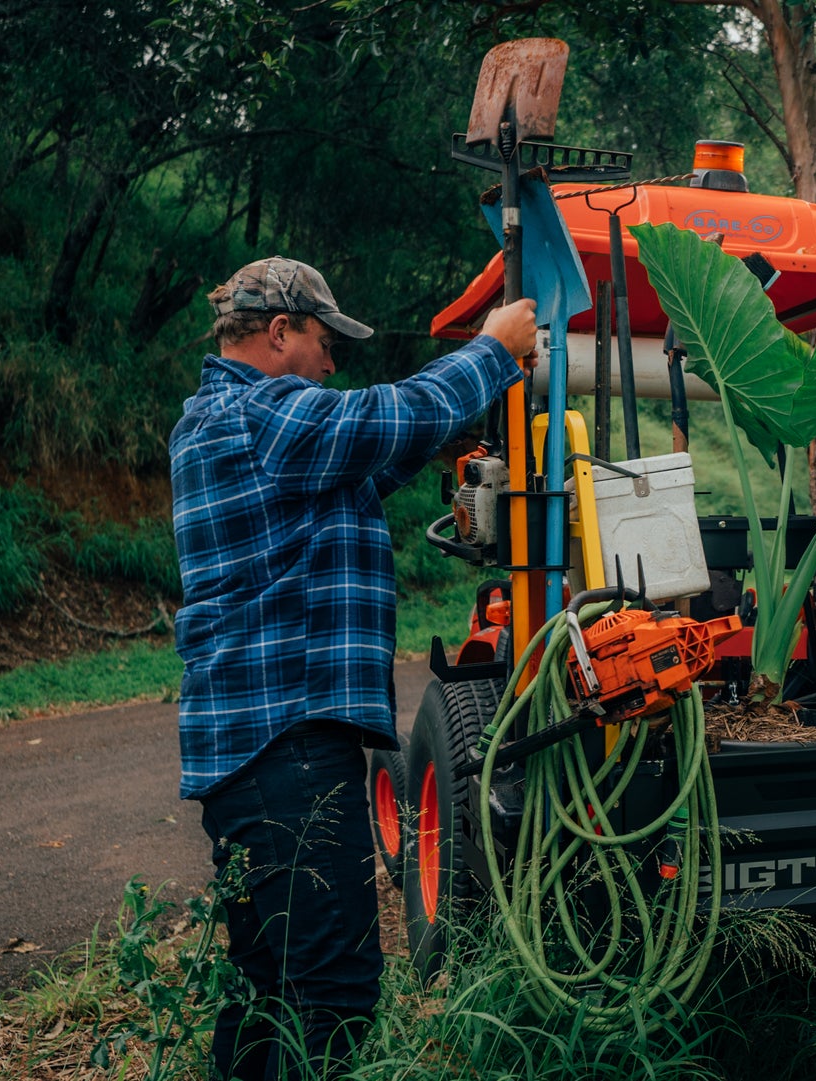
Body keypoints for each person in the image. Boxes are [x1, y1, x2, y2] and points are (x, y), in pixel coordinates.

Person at [169, 256, 536, 1080]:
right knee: (334, 996)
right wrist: (492, 351)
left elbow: (365, 458)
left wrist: (455, 422)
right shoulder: (255, 417)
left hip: (255, 761)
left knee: (266, 990)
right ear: (279, 332)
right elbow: (373, 419)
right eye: (324, 341)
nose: (333, 361)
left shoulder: (229, 421)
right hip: (288, 751)